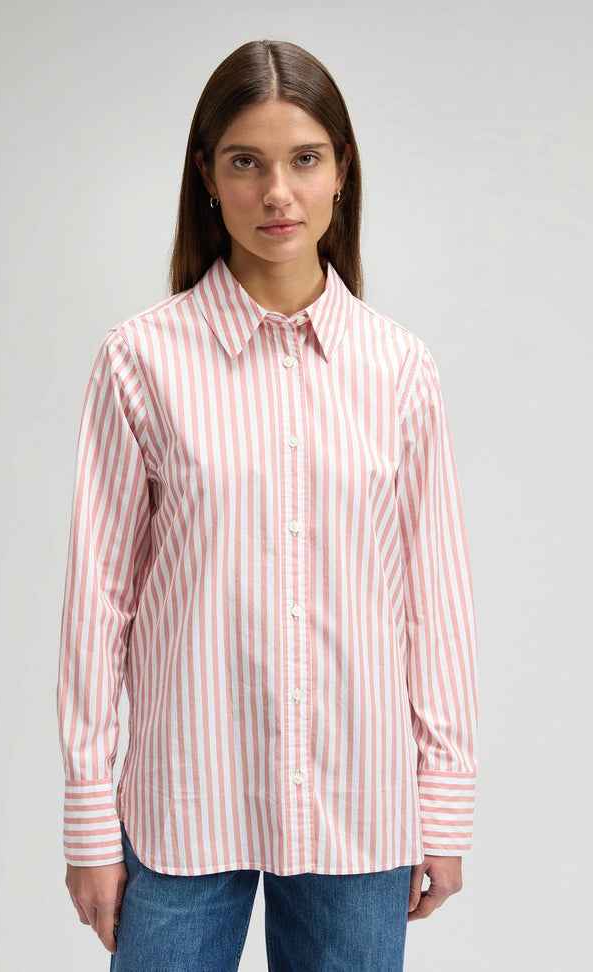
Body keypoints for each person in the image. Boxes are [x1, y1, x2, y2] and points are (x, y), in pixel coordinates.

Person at [57, 38, 479, 971]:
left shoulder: (400, 370)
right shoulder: (140, 362)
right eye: (246, 162)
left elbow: (435, 602)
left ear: (342, 171)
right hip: (183, 803)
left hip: (360, 806)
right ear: (207, 177)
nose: (278, 193)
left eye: (305, 159)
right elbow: (98, 603)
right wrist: (89, 817)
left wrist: (444, 803)